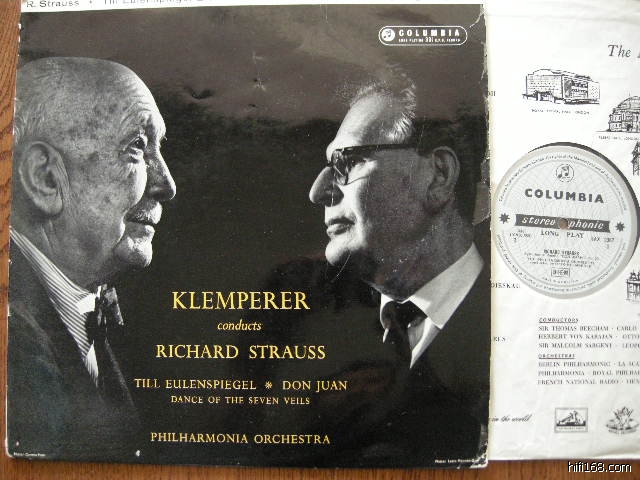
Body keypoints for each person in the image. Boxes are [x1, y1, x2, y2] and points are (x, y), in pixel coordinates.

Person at [308, 78, 489, 466]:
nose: (319, 191)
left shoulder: (516, 328)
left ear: (438, 176)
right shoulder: (323, 335)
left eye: (347, 162)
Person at [7, 57, 176, 461]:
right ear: (45, 179)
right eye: (137, 146)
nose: (166, 184)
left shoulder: (88, 314)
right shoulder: (13, 340)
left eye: (159, 148)